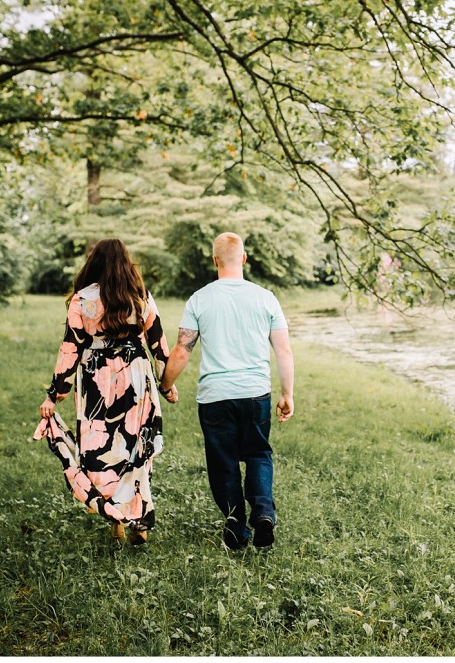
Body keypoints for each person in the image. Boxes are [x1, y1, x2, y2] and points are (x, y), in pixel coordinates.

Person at [161, 232, 295, 550]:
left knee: (224, 462)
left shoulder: (200, 299)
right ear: (244, 259)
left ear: (214, 260)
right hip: (255, 393)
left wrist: (165, 384)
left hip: (215, 396)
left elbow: (182, 349)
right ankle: (263, 513)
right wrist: (287, 393)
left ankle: (235, 526)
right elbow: (284, 351)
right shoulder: (266, 298)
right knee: (259, 453)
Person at [39, 238, 176, 546]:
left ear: (95, 264)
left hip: (96, 381)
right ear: (126, 264)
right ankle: (138, 523)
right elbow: (157, 341)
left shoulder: (83, 300)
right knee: (136, 447)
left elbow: (70, 349)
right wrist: (168, 383)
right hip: (136, 379)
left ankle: (115, 520)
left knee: (101, 451)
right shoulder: (139, 297)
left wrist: (55, 391)